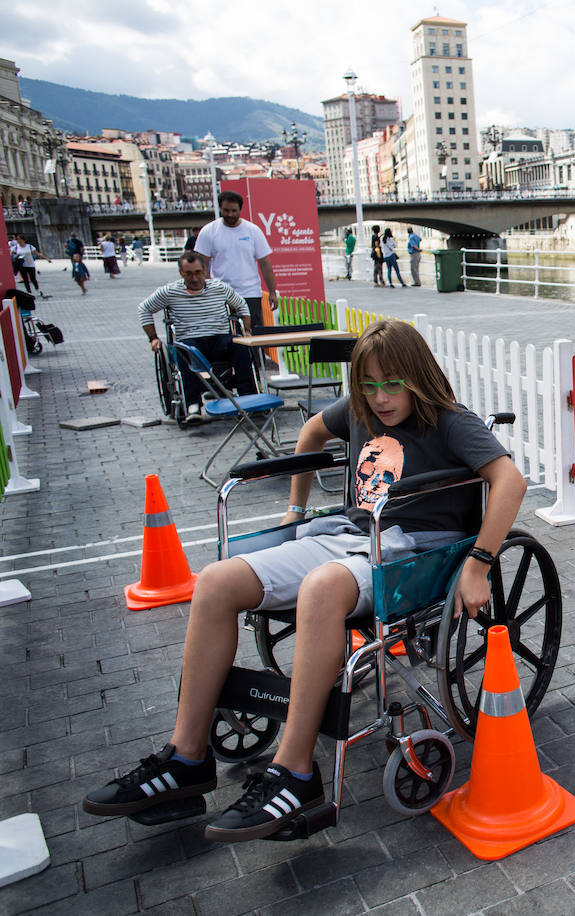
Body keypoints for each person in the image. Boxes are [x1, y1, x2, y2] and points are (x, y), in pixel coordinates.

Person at [81, 319, 527, 843]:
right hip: (345, 536)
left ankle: (295, 770)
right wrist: (295, 511)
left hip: (412, 550)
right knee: (216, 581)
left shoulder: (449, 421)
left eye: (392, 383)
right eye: (368, 384)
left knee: (320, 587)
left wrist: (478, 562)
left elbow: (509, 480)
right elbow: (313, 431)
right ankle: (186, 758)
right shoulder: (361, 410)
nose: (380, 397)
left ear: (417, 377)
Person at [137, 251, 258, 420]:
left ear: (205, 271)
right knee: (185, 350)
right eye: (188, 274)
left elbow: (241, 305)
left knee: (240, 344)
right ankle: (193, 405)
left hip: (219, 339)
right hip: (190, 341)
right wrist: (153, 338)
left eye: (198, 273)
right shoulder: (169, 292)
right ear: (181, 273)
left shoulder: (219, 288)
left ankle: (249, 399)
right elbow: (144, 309)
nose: (194, 279)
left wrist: (246, 330)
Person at [194, 190, 278, 330]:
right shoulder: (208, 231)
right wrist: (208, 291)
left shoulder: (253, 231)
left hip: (250, 294)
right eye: (226, 210)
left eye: (234, 210)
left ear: (240, 209)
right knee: (226, 337)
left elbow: (265, 263)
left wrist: (272, 292)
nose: (230, 214)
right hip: (221, 295)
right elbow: (202, 265)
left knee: (253, 336)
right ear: (220, 208)